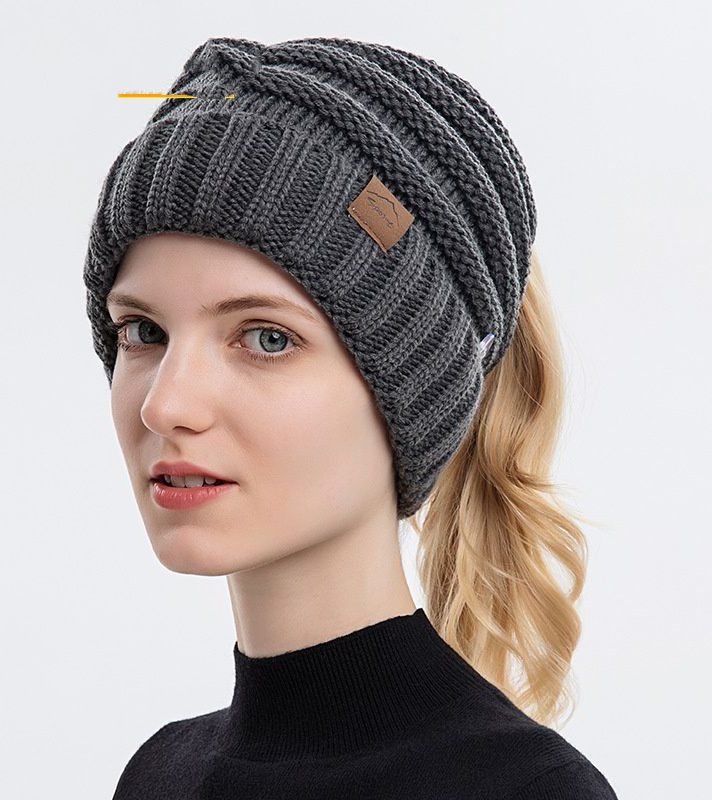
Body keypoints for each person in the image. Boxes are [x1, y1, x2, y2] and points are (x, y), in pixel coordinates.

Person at [83, 35, 619, 799]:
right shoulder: (158, 774)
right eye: (144, 331)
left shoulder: (521, 790)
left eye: (267, 338)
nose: (165, 404)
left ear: (420, 387)